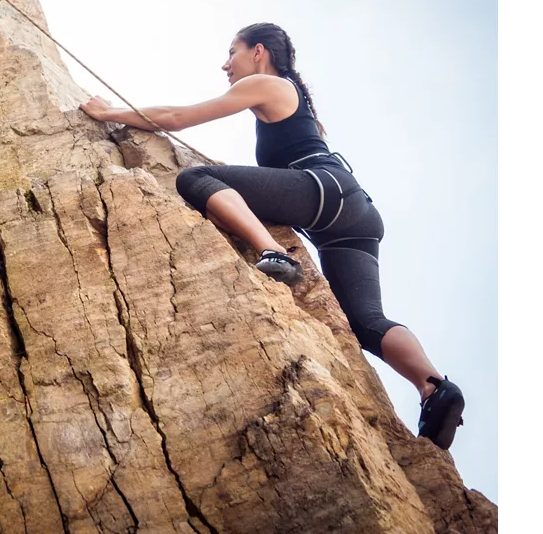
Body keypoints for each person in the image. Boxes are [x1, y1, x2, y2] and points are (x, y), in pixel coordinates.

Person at [78, 22, 464, 450]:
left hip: (323, 191)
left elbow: (177, 119)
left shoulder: (267, 83)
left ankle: (274, 252)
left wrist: (108, 112)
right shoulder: (288, 100)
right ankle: (434, 388)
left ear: (258, 52)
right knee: (366, 323)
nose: (225, 64)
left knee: (197, 178)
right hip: (351, 214)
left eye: (233, 52)